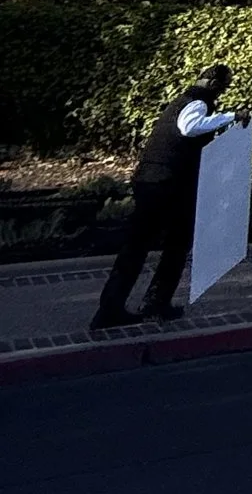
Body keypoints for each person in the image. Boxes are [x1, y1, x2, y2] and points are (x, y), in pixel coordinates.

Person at [92, 66, 244, 330]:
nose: (224, 90)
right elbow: (189, 128)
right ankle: (151, 303)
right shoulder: (197, 103)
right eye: (224, 85)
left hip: (152, 180)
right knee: (175, 244)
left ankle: (114, 307)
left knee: (138, 246)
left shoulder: (181, 101)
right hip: (168, 185)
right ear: (214, 83)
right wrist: (230, 117)